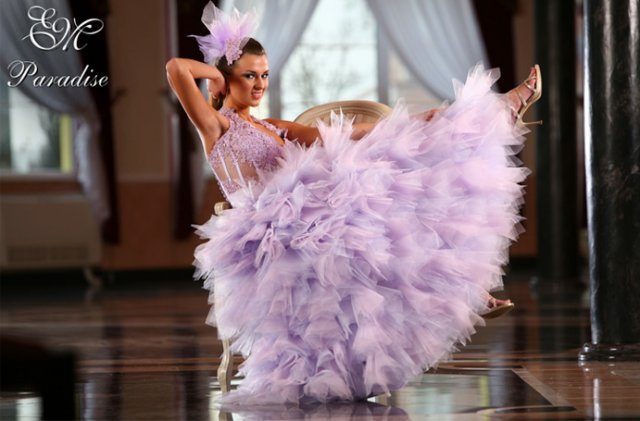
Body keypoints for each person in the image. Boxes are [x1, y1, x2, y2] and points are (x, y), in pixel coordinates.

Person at [166, 2, 540, 405]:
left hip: (307, 217)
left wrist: (423, 120)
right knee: (362, 209)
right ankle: (460, 292)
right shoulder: (215, 125)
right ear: (228, 78)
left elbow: (341, 134)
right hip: (267, 233)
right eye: (249, 75)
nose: (260, 85)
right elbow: (176, 68)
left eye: (265, 75)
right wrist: (214, 77)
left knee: (387, 171)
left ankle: (490, 116)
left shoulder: (272, 126)